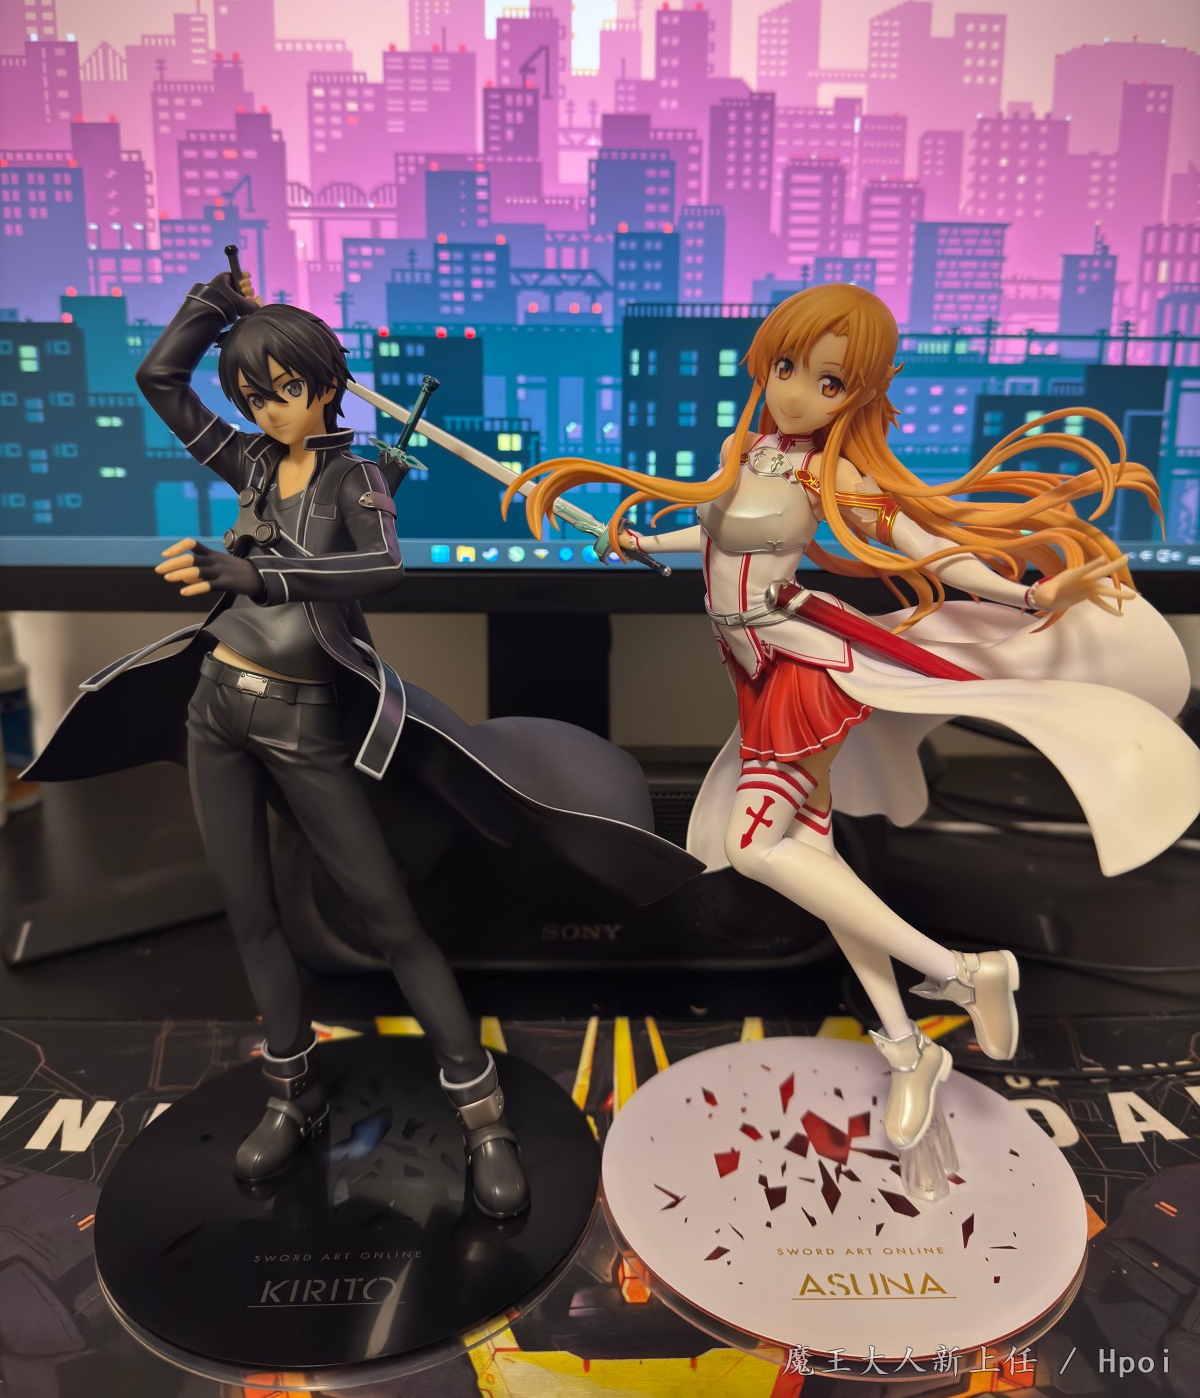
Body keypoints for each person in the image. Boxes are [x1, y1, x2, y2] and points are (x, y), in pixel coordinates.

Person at [26, 269, 702, 1216]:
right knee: (251, 914)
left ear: (325, 385)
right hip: (216, 709)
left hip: (305, 718)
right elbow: (158, 381)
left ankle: (483, 1118)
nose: (267, 409)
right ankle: (291, 1095)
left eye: (283, 389)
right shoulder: (252, 462)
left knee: (390, 919)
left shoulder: (355, 478)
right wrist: (213, 307)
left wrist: (255, 575)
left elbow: (381, 568)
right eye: (252, 394)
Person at [507, 283, 1200, 1155]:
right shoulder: (754, 452)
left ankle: (963, 971)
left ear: (858, 394)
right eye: (786, 368)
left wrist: (1025, 595)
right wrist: (641, 541)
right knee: (818, 861)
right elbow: (719, 537)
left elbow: (929, 549)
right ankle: (908, 1049)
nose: (797, 393)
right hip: (751, 671)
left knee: (755, 849)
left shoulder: (833, 475)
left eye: (827, 382)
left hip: (800, 670)